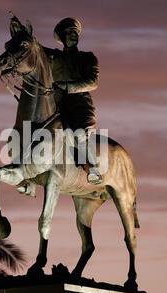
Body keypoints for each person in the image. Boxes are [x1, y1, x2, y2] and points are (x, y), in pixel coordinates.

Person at [44, 17, 102, 184]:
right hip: (57, 107)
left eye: (75, 32)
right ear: (62, 37)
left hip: (80, 107)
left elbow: (93, 82)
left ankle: (93, 168)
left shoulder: (88, 58)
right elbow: (33, 49)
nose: (73, 35)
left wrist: (66, 86)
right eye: (69, 32)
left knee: (80, 134)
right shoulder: (54, 57)